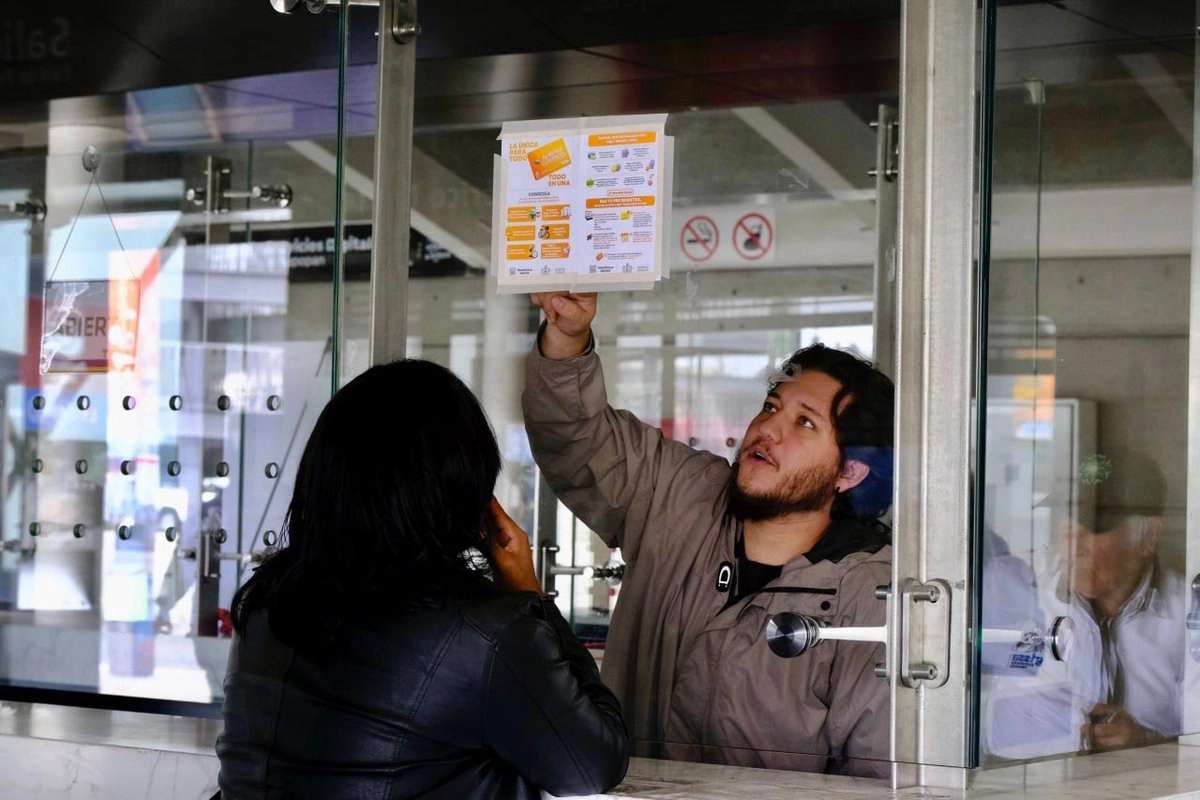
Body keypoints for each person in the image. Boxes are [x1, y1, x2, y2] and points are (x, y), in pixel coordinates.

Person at [216, 360, 630, 799]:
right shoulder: (489, 634)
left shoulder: (265, 606)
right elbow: (593, 763)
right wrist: (532, 596)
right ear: (467, 491)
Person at [523, 292, 895, 777]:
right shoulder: (681, 495)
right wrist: (567, 337)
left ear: (849, 472)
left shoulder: (870, 597)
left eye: (804, 422)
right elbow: (578, 442)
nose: (768, 429)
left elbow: (873, 775)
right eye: (771, 406)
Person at [981, 448, 1199, 759]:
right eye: (1064, 518)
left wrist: (1148, 744)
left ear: (1148, 535)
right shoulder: (1012, 583)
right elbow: (968, 718)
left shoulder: (1190, 613)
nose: (1072, 541)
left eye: (1094, 526)